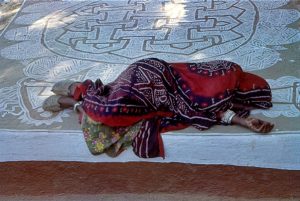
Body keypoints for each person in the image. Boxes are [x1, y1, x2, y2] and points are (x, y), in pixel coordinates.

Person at [43, 58, 274, 158]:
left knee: (109, 123)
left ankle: (76, 100)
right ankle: (78, 93)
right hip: (150, 73)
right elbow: (207, 106)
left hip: (155, 95)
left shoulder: (224, 94)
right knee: (111, 110)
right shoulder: (224, 77)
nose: (247, 102)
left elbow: (212, 110)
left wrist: (245, 121)